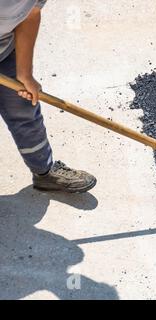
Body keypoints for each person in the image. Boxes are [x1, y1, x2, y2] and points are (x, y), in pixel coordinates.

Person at [0, 0, 96, 193]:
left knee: (24, 110)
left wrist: (24, 73)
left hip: (4, 50)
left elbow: (30, 14)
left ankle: (44, 173)